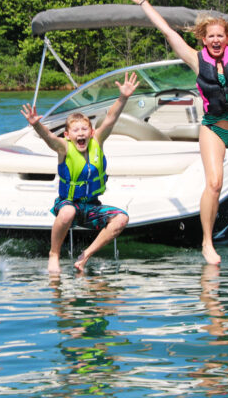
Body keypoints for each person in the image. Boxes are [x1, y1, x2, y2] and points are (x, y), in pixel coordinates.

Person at [123, 0, 228, 265]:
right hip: (213, 128)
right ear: (203, 39)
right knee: (213, 183)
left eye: (220, 36)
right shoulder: (197, 60)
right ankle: (206, 243)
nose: (216, 40)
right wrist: (143, 2)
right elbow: (167, 31)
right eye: (210, 36)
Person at [20, 72, 139, 273]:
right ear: (67, 135)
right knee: (68, 211)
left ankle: (84, 257)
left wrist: (123, 97)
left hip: (91, 207)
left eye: (85, 129)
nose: (81, 133)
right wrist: (36, 124)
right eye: (76, 130)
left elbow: (110, 118)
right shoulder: (63, 148)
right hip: (67, 204)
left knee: (121, 218)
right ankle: (54, 254)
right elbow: (48, 137)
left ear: (92, 132)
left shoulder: (97, 142)